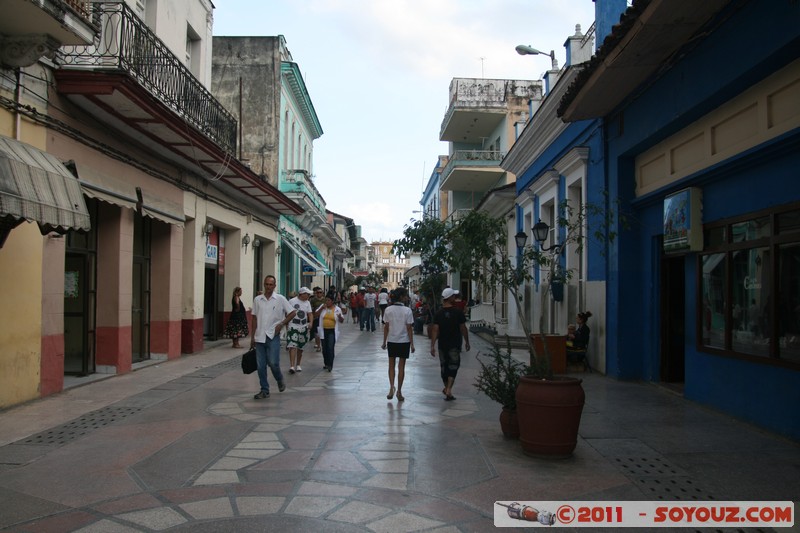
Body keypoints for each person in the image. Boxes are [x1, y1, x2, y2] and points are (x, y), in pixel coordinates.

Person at [249, 275, 295, 399]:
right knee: (260, 365)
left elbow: (292, 312)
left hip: (273, 335)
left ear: (275, 286)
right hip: (259, 336)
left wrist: (282, 324)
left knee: (273, 362)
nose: (268, 287)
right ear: (264, 285)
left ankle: (279, 379)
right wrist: (252, 337)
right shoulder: (258, 300)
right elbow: (254, 318)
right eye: (266, 284)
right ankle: (264, 389)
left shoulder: (280, 299)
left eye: (271, 284)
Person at [429, 288, 470, 401]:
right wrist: (467, 341)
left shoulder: (438, 313)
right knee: (453, 365)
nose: (455, 298)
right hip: (455, 344)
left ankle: (447, 388)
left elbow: (435, 330)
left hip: (442, 344)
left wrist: (432, 345)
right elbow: (463, 328)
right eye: (453, 296)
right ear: (450, 298)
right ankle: (449, 389)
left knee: (444, 366)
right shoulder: (458, 312)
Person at [381, 288, 415, 401]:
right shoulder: (408, 311)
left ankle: (391, 387)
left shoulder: (388, 310)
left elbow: (386, 327)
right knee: (401, 367)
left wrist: (384, 342)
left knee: (391, 365)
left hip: (392, 340)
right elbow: (409, 328)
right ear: (401, 297)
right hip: (404, 341)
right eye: (405, 295)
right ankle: (399, 391)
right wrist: (412, 344)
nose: (407, 297)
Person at [287, 287, 314, 374]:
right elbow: (287, 312)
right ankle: (292, 365)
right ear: (302, 294)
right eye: (307, 294)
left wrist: (311, 323)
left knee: (300, 347)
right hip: (293, 325)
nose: (308, 296)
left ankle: (298, 364)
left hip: (303, 326)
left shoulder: (307, 303)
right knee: (292, 345)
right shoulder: (292, 301)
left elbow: (310, 314)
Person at [316, 294, 345, 371]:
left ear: (332, 301)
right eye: (326, 300)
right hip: (323, 330)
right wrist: (321, 308)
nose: (327, 302)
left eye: (329, 300)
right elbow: (315, 314)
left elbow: (342, 321)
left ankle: (330, 365)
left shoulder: (337, 309)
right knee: (324, 348)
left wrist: (339, 317)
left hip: (332, 331)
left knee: (330, 347)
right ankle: (326, 363)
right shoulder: (323, 307)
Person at [309, 287, 325, 352]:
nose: (319, 294)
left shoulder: (325, 300)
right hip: (316, 317)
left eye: (320, 292)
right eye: (317, 292)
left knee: (322, 332)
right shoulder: (313, 300)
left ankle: (322, 344)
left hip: (324, 317)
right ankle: (318, 345)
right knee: (316, 332)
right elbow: (310, 308)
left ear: (322, 293)